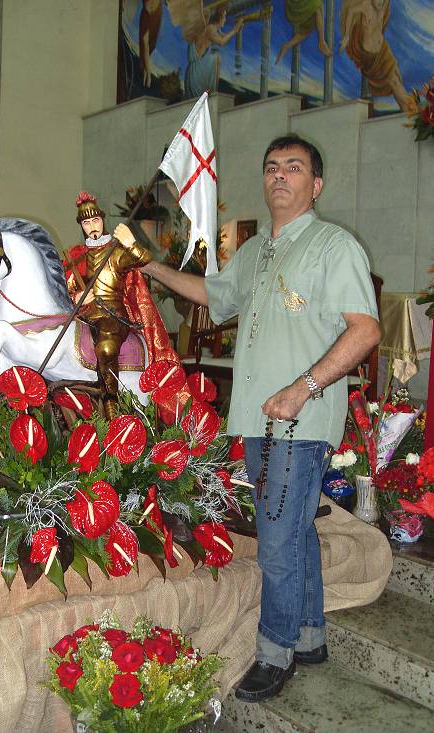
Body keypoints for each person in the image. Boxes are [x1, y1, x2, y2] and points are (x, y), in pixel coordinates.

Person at [114, 134, 381, 701]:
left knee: (277, 541)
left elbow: (365, 331)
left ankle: (274, 652)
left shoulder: (334, 246)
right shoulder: (258, 249)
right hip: (258, 420)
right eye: (271, 167)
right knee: (294, 531)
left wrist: (303, 388)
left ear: (316, 185)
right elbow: (213, 294)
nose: (279, 176)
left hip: (299, 421)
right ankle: (308, 636)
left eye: (294, 168)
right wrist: (150, 267)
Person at [66, 192, 152, 419]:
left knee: (106, 348)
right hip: (85, 315)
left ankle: (110, 400)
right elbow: (67, 288)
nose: (92, 227)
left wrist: (131, 243)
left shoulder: (116, 252)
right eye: (86, 223)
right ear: (81, 226)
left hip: (112, 315)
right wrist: (76, 297)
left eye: (95, 220)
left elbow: (144, 259)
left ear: (102, 220)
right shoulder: (77, 257)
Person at [340, 0, 409, 112]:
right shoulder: (365, 6)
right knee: (394, 83)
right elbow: (351, 11)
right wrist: (347, 36)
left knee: (398, 78)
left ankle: (409, 112)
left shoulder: (384, 5)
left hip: (383, 50)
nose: (380, 2)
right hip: (371, 57)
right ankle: (412, 112)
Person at [275, 0, 332, 65]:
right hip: (295, 4)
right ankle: (321, 42)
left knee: (307, 29)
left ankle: (286, 46)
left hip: (301, 4)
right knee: (317, 5)